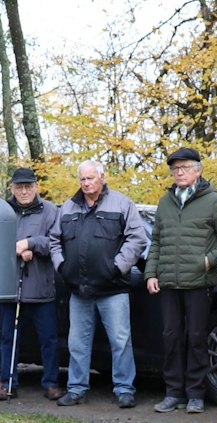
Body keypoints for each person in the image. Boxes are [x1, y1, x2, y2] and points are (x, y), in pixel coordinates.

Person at [145, 146, 217, 415]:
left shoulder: (213, 201)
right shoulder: (165, 202)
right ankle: (173, 392)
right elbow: (157, 241)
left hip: (199, 282)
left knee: (196, 338)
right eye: (175, 169)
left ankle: (195, 394)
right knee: (171, 338)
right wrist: (151, 273)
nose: (179, 173)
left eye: (184, 168)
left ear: (198, 170)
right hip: (169, 283)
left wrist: (209, 261)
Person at [53, 160, 149, 407]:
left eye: (91, 178)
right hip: (79, 289)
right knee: (77, 342)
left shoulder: (122, 203)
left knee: (120, 340)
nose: (86, 183)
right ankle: (76, 388)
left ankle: (125, 389)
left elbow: (137, 239)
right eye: (82, 179)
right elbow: (54, 240)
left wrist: (117, 267)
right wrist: (63, 267)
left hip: (112, 288)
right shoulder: (68, 207)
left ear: (102, 177)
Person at [0, 166, 62, 400]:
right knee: (8, 338)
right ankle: (7, 382)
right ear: (12, 188)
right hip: (10, 288)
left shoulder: (50, 211)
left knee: (48, 338)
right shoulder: (4, 210)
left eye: (28, 186)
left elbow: (55, 242)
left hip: (41, 287)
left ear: (36, 187)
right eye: (19, 187)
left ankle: (51, 383)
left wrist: (31, 243)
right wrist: (16, 248)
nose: (23, 191)